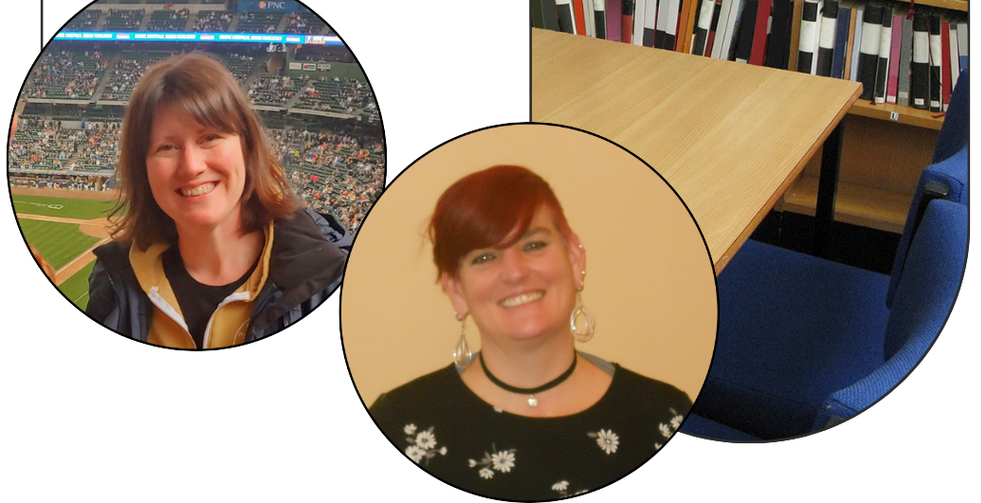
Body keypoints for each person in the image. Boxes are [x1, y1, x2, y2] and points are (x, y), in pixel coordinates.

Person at [369, 166, 691, 500]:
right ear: (456, 291)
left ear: (574, 258)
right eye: (484, 257)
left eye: (534, 244)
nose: (515, 272)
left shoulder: (662, 416)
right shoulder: (395, 425)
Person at [86, 52, 350, 348]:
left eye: (209, 137)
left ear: (247, 147)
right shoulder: (114, 284)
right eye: (167, 146)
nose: (191, 165)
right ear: (142, 169)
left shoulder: (333, 275)